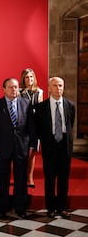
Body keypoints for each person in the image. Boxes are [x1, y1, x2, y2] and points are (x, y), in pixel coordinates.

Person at [0, 78, 37, 219]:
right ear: (3, 89)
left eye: (15, 87)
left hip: (22, 147)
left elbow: (31, 127)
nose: (13, 90)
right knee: (2, 179)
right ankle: (2, 208)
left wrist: (32, 145)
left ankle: (20, 207)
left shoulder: (26, 103)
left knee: (21, 179)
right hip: (1, 147)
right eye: (10, 87)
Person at [35, 77, 75, 218]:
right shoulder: (41, 107)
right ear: (49, 88)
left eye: (60, 85)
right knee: (50, 179)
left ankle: (61, 208)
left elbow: (71, 124)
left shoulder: (70, 105)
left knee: (64, 178)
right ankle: (51, 208)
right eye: (55, 85)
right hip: (50, 146)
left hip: (65, 145)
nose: (58, 88)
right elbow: (38, 128)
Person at [19, 68, 43, 188]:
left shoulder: (39, 92)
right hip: (22, 125)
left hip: (34, 125)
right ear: (23, 79)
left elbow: (40, 110)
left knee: (32, 153)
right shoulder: (19, 91)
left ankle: (30, 178)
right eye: (27, 77)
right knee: (22, 153)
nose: (29, 79)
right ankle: (22, 177)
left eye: (31, 77)